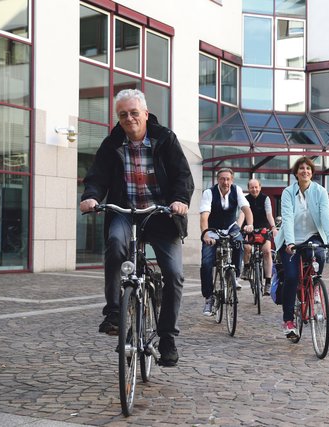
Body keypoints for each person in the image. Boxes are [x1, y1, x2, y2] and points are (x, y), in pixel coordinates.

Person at [80, 89, 193, 367]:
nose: (129, 118)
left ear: (145, 113)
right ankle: (114, 312)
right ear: (118, 119)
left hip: (161, 214)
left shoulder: (165, 139)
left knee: (174, 274)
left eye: (133, 112)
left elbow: (182, 176)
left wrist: (179, 200)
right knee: (116, 245)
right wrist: (90, 196)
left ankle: (167, 337)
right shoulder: (112, 144)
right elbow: (97, 176)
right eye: (123, 114)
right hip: (125, 211)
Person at [274, 157, 329, 338]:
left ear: (312, 172)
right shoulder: (288, 192)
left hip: (312, 235)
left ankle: (315, 285)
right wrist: (290, 243)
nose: (305, 171)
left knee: (320, 253)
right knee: (292, 277)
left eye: (308, 168)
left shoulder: (320, 191)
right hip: (290, 239)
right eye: (301, 168)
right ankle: (288, 321)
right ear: (296, 173)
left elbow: (325, 215)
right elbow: (286, 217)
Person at [199, 168, 254, 316]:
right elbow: (204, 216)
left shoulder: (237, 190)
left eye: (228, 179)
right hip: (212, 229)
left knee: (239, 242)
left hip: (230, 227)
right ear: (218, 180)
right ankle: (209, 298)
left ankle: (235, 276)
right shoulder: (209, 193)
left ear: (232, 180)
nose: (225, 182)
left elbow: (246, 209)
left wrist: (250, 224)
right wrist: (205, 234)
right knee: (206, 263)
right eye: (222, 179)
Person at [238, 178, 278, 296]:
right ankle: (246, 267)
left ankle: (268, 282)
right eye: (252, 187)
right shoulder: (245, 199)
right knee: (247, 248)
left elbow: (269, 214)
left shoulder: (265, 199)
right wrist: (238, 228)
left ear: (260, 187)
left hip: (263, 229)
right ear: (248, 188)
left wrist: (273, 227)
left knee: (267, 252)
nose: (254, 189)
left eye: (256, 187)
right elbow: (242, 215)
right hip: (248, 229)